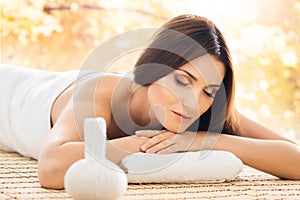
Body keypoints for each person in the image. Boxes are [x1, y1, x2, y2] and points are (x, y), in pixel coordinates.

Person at [3, 14, 300, 189]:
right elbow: (51, 168)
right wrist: (141, 143)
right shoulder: (99, 93)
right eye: (183, 81)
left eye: (209, 91)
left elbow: (295, 159)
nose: (193, 103)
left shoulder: (201, 113)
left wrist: (201, 141)